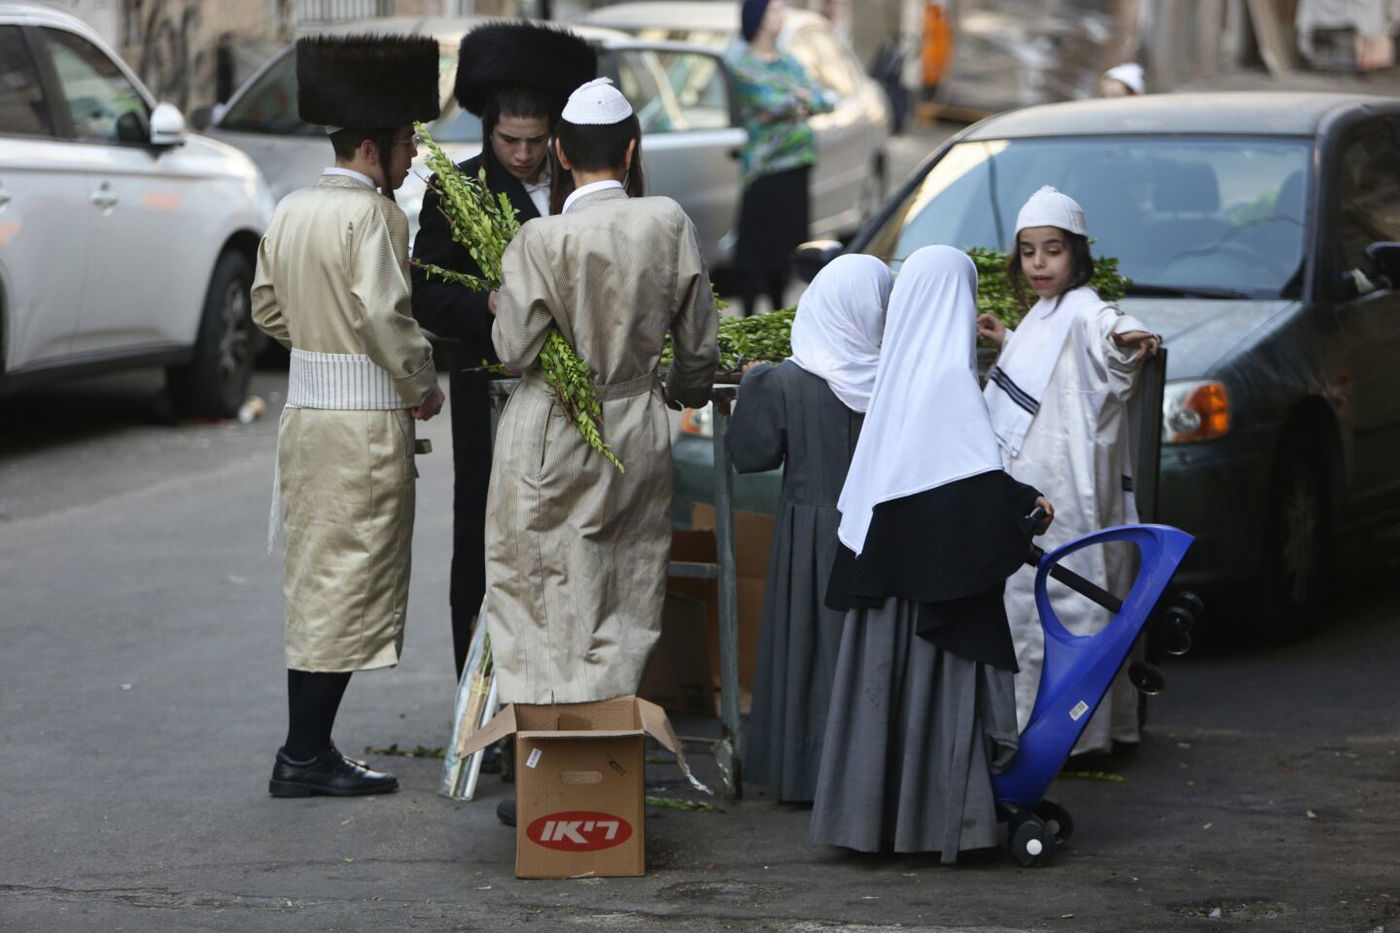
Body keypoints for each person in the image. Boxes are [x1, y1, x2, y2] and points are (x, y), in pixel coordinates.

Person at [810, 246, 1053, 861]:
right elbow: (965, 489)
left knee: (878, 697)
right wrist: (1021, 509)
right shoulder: (950, 382)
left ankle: (869, 821)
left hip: (885, 595)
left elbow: (918, 486)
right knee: (935, 703)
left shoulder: (894, 382)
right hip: (935, 607)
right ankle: (937, 822)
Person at [485, 77, 718, 709]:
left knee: (541, 584)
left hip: (551, 430)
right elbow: (699, 349)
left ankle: (552, 757)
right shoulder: (667, 221)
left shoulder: (540, 238)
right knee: (626, 582)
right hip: (637, 422)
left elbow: (513, 353)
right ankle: (610, 740)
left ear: (558, 152)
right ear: (633, 148)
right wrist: (679, 390)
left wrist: (500, 305)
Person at [252, 35, 445, 797]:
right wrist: (420, 382)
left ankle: (309, 745)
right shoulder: (376, 218)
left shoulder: (293, 208)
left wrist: (317, 335)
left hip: (305, 418)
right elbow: (386, 317)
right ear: (368, 148)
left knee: (315, 579)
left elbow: (267, 306)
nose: (409, 162)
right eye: (403, 147)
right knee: (350, 581)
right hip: (361, 423)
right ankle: (303, 753)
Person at [410, 23, 597, 679]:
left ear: (555, 135)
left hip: (579, 396)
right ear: (487, 131)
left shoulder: (583, 188)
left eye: (535, 142)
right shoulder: (456, 191)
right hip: (487, 386)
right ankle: (480, 688)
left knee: (572, 535)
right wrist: (485, 306)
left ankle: (564, 683)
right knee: (485, 534)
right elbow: (426, 292)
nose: (522, 155)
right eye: (508, 141)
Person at [977, 186, 1161, 758]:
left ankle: (1079, 737)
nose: (1039, 263)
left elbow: (1106, 333)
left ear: (1076, 255)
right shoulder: (1040, 315)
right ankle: (1040, 730)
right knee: (1029, 605)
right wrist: (1007, 340)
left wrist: (1127, 337)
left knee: (1073, 598)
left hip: (1070, 485)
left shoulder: (1084, 309)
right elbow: (1049, 371)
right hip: (1034, 484)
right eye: (1029, 251)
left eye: (1051, 250)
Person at [725, 254, 893, 803]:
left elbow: (749, 455)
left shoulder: (787, 381)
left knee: (811, 653)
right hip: (883, 534)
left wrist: (751, 387)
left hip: (810, 537)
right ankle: (873, 774)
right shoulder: (896, 379)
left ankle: (808, 773)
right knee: (870, 653)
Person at [728, 0, 834, 317]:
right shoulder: (743, 64)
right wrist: (798, 100)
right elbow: (768, 102)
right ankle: (748, 316)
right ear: (758, 17)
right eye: (775, 10)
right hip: (764, 169)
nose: (781, 16)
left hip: (796, 167)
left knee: (786, 248)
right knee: (755, 249)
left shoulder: (789, 61)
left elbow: (822, 100)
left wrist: (798, 100)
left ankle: (778, 313)